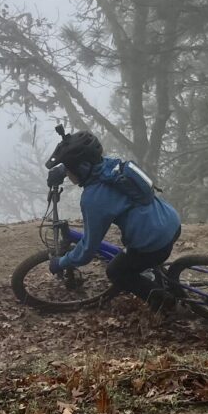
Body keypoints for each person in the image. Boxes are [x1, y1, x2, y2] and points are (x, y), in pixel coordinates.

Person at [45, 127, 181, 304]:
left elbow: (88, 249)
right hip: (170, 220)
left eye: (70, 170)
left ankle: (165, 304)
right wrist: (63, 170)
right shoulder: (111, 165)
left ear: (81, 168)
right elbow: (89, 166)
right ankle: (153, 274)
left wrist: (61, 263)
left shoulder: (92, 199)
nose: (69, 174)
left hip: (154, 243)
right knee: (133, 254)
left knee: (116, 272)